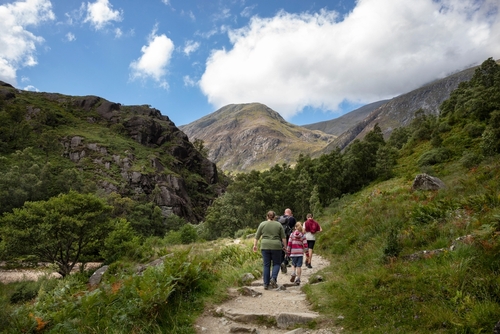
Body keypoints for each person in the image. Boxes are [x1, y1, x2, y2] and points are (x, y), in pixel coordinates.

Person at [253, 210, 287, 290]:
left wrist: (255, 245)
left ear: (267, 216)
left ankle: (265, 284)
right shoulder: (278, 225)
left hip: (265, 246)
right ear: (274, 217)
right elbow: (283, 237)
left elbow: (257, 236)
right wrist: (285, 246)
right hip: (276, 246)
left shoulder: (262, 224)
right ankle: (273, 278)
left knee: (266, 265)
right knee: (277, 263)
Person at [279, 208, 297, 273]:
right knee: (289, 250)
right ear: (290, 212)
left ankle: (281, 263)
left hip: (280, 237)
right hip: (289, 236)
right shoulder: (292, 219)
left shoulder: (279, 219)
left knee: (282, 251)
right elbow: (295, 227)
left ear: (284, 212)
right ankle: (285, 262)